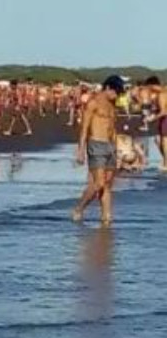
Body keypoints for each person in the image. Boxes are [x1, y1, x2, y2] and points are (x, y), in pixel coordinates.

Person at [73, 76, 123, 226]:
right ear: (108, 88)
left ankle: (106, 217)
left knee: (107, 184)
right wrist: (81, 150)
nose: (117, 95)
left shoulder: (112, 104)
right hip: (96, 144)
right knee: (98, 183)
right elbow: (84, 128)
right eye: (116, 92)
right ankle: (79, 208)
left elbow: (112, 127)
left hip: (110, 146)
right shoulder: (93, 103)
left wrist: (116, 149)